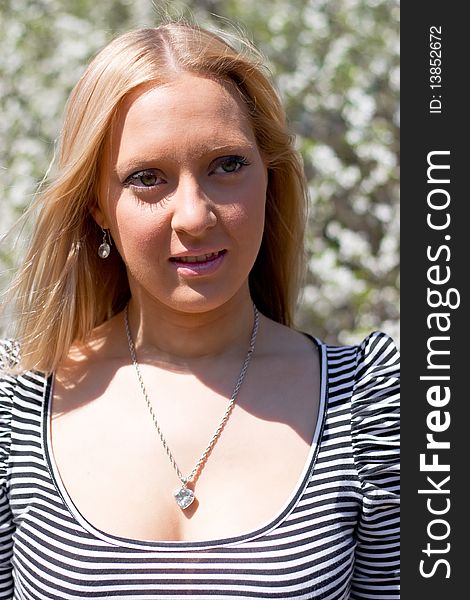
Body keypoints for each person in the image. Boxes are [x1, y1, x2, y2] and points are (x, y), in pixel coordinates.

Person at [0, 22, 399, 599]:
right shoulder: (16, 411)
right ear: (97, 206)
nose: (192, 216)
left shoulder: (370, 403)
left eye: (227, 165)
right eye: (147, 179)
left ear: (271, 176)